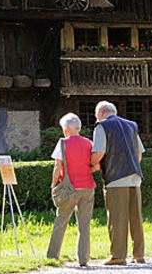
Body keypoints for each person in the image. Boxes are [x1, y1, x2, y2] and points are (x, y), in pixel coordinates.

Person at [90, 100, 146, 266]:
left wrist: (91, 163)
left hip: (115, 177)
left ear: (100, 113)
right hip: (135, 176)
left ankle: (118, 256)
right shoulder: (131, 125)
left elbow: (99, 152)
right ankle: (138, 255)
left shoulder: (102, 126)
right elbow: (140, 153)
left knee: (117, 218)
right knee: (136, 218)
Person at [47, 112, 97, 267]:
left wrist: (53, 185)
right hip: (88, 187)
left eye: (63, 128)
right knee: (84, 225)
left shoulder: (62, 143)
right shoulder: (89, 143)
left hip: (69, 188)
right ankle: (83, 259)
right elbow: (96, 165)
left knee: (61, 222)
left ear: (67, 128)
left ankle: (52, 256)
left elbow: (57, 167)